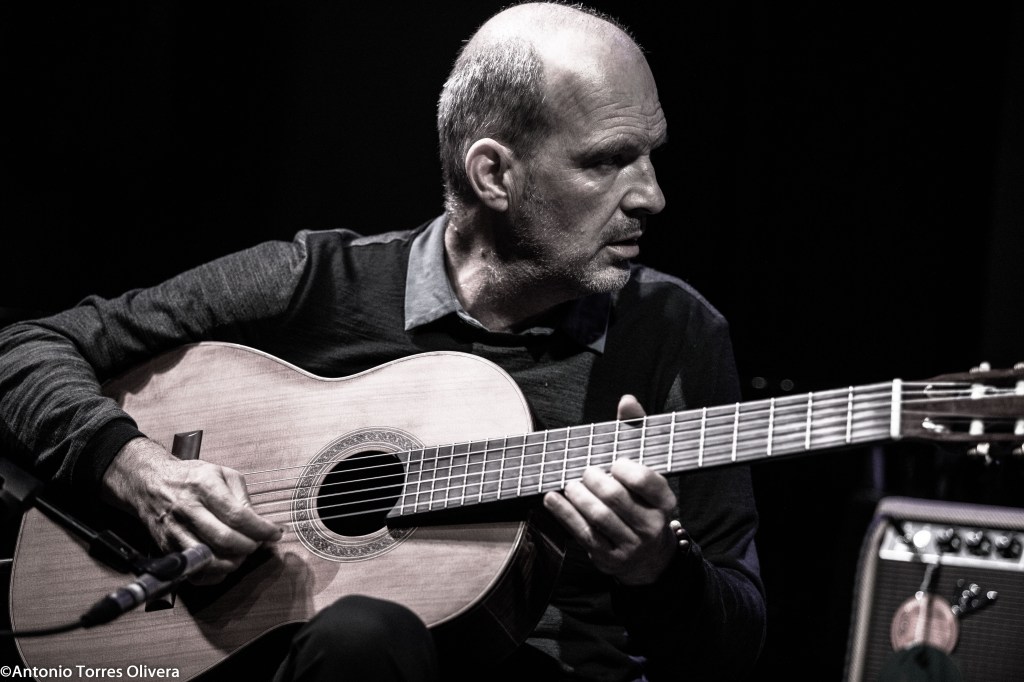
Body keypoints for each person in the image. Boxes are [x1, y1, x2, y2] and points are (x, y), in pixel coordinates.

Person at [0, 2, 766, 680]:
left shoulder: (675, 331)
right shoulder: (315, 282)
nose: (652, 195)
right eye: (607, 161)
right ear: (494, 175)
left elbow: (733, 646)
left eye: (652, 154)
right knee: (363, 637)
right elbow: (23, 350)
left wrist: (660, 568)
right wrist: (139, 471)